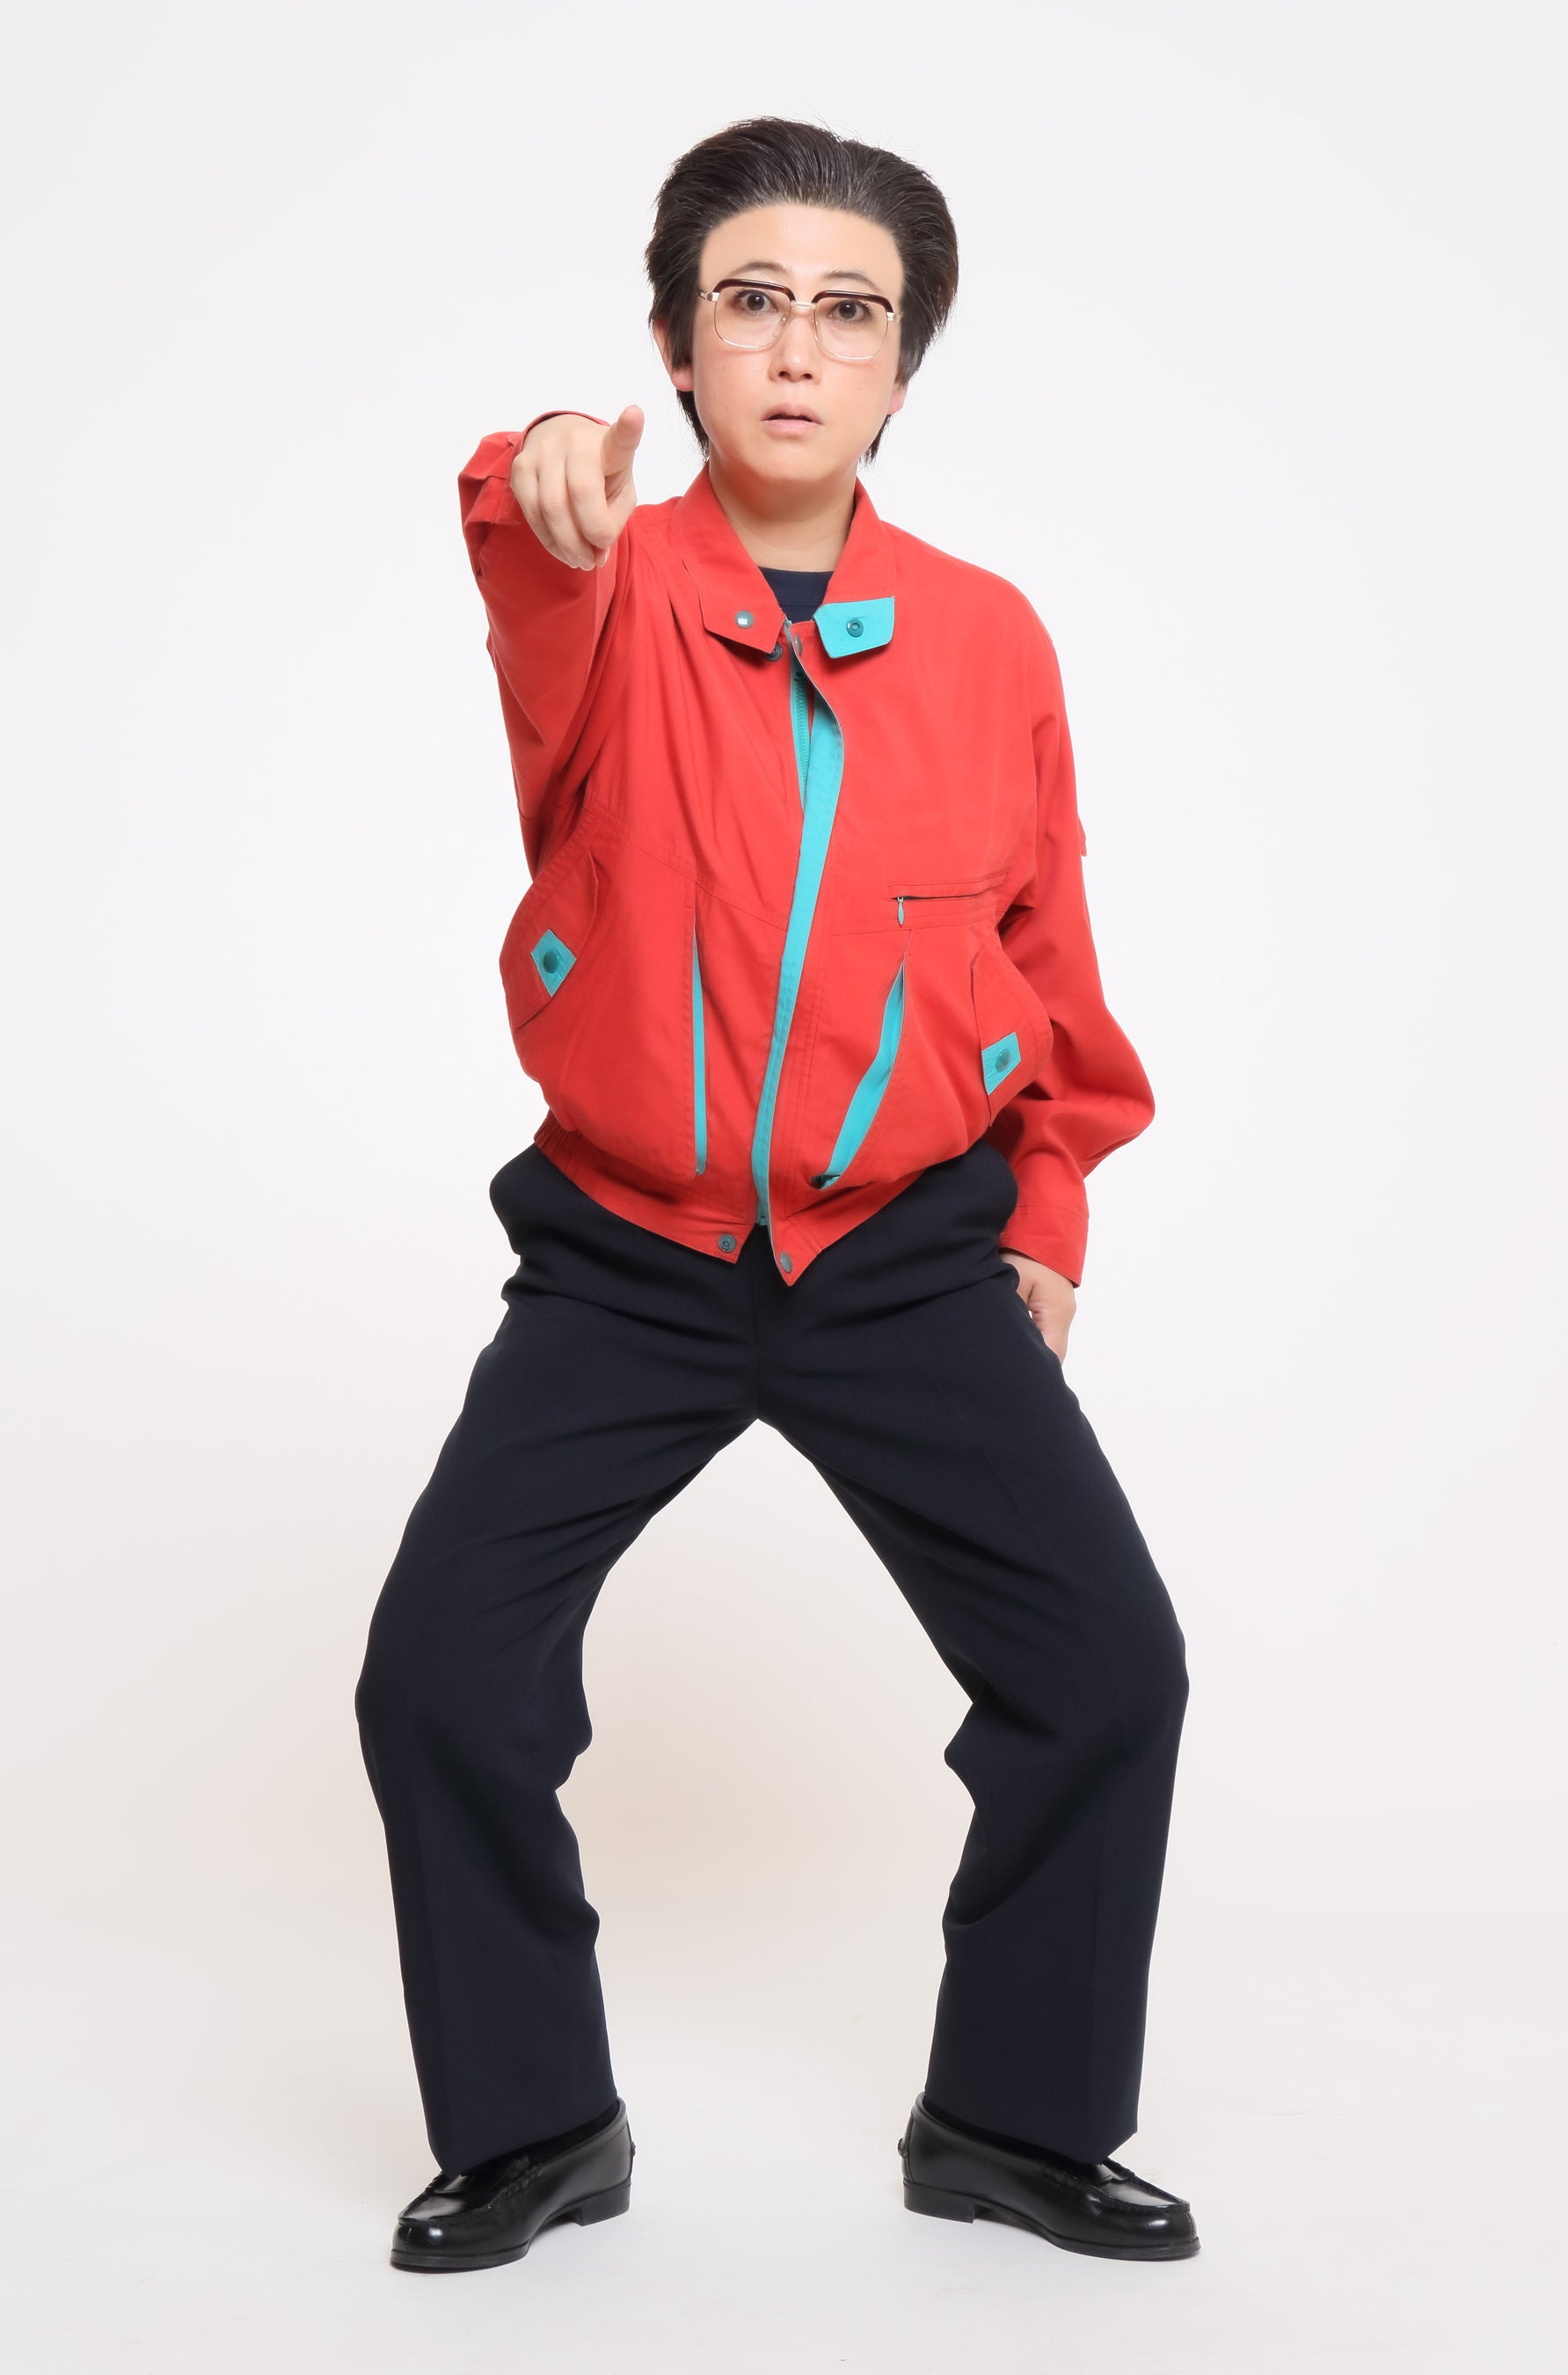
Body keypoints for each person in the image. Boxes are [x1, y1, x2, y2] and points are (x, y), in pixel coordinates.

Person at [354, 114, 1198, 2275]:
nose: (799, 350)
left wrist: (1046, 1209)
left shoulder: (990, 637)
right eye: (752, 304)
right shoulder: (604, 587)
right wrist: (542, 462)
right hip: (627, 1252)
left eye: (850, 313)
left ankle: (1012, 2125)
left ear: (903, 365)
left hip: (902, 1254)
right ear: (679, 343)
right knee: (440, 1679)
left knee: (1108, 1671)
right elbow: (526, 516)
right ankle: (535, 2130)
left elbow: (1042, 946)